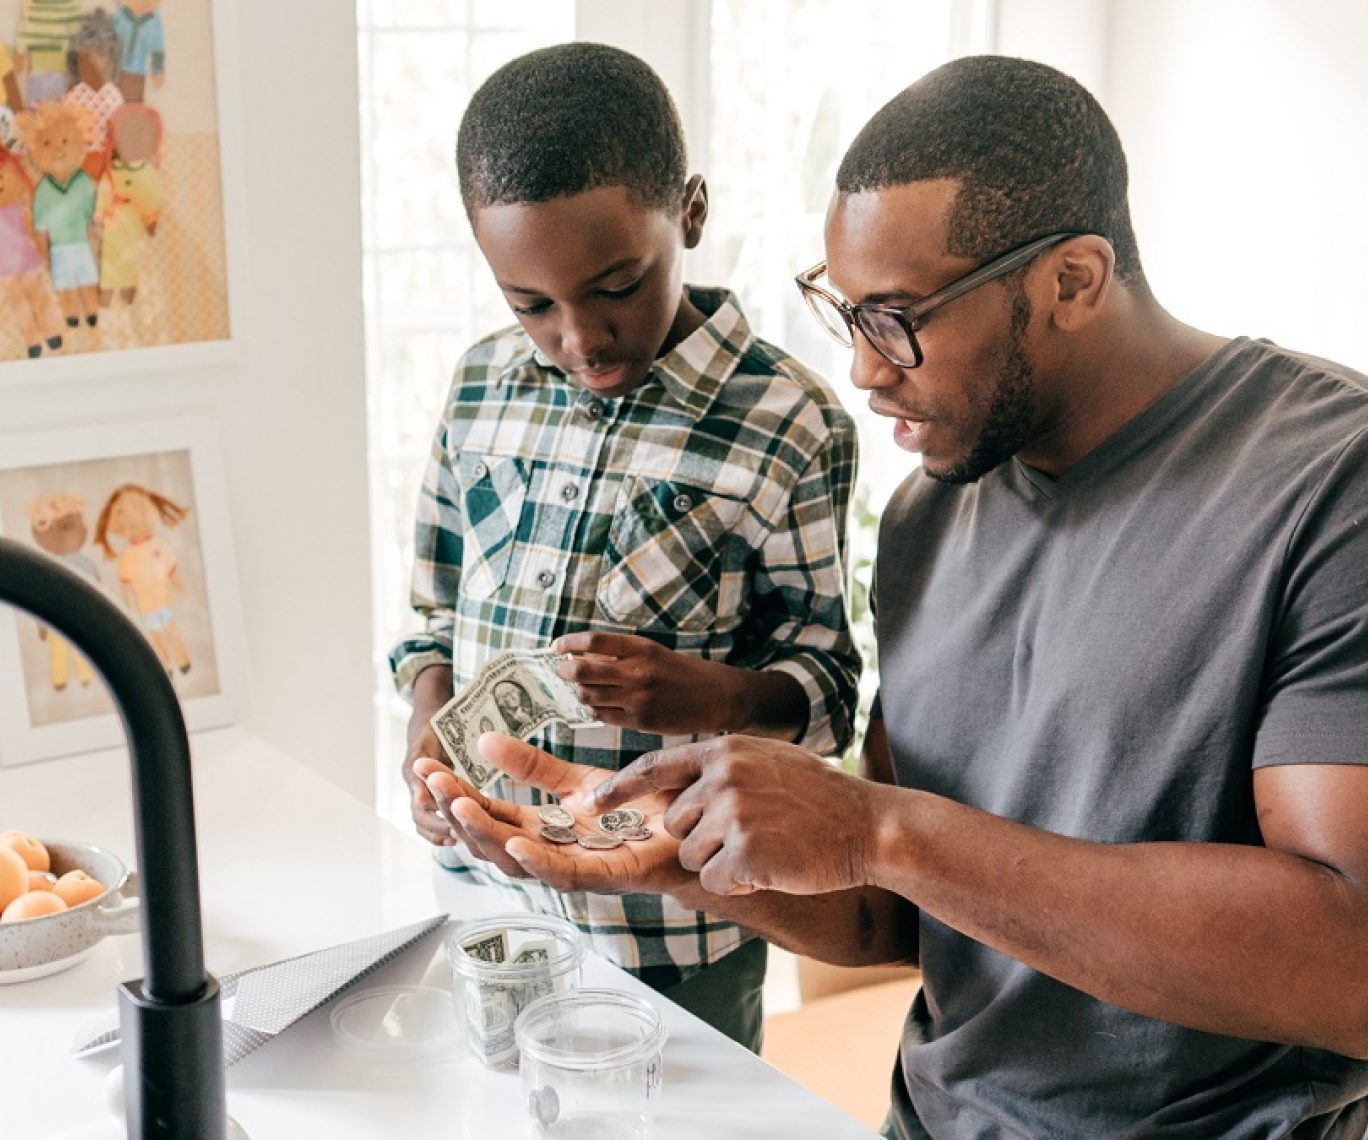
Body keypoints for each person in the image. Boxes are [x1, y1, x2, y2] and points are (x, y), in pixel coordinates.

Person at [420, 54, 1368, 1138]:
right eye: (845, 314)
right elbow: (895, 916)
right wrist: (688, 863)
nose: (865, 373)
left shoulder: (1328, 482)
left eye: (896, 317)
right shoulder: (926, 517)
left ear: (1072, 280)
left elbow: (1350, 964)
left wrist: (878, 827)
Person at [389, 42, 861, 1053]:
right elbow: (430, 616)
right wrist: (429, 729)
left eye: (615, 286)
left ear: (687, 214)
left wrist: (707, 698)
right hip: (484, 899)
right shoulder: (478, 388)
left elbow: (824, 686)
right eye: (531, 306)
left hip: (676, 928)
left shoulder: (788, 423)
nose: (581, 337)